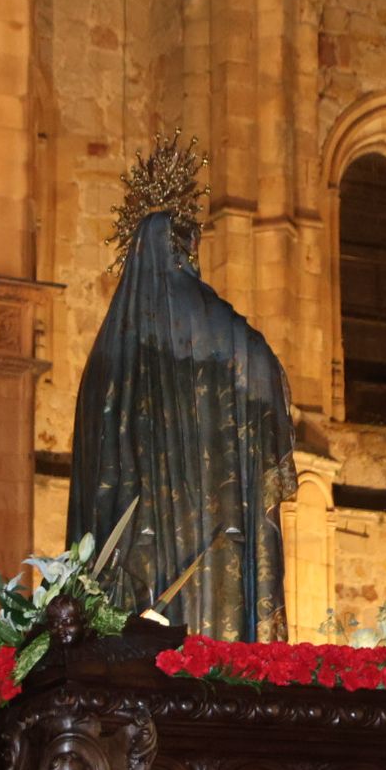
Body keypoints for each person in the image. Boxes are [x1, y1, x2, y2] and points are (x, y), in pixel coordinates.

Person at [67, 139, 294, 642]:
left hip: (134, 559)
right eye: (186, 249)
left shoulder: (105, 359)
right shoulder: (216, 328)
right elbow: (262, 367)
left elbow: (94, 488)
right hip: (205, 549)